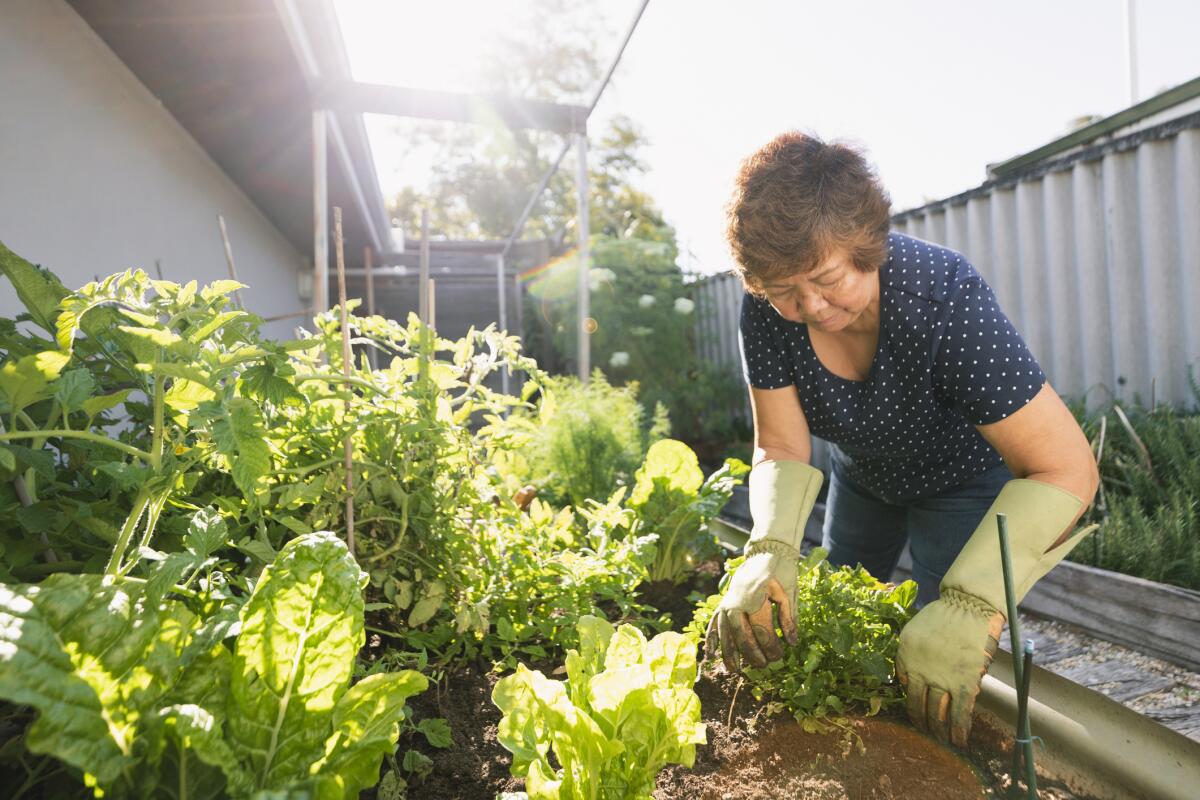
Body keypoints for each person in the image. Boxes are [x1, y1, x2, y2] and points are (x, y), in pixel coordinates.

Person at [704, 131, 1100, 748]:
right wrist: (766, 549)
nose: (810, 305)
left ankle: (947, 763)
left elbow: (1064, 467)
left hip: (963, 482)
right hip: (864, 476)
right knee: (833, 601)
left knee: (937, 645)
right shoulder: (766, 311)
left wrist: (975, 604)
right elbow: (781, 446)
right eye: (785, 292)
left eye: (825, 278)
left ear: (866, 245)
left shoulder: (942, 299)